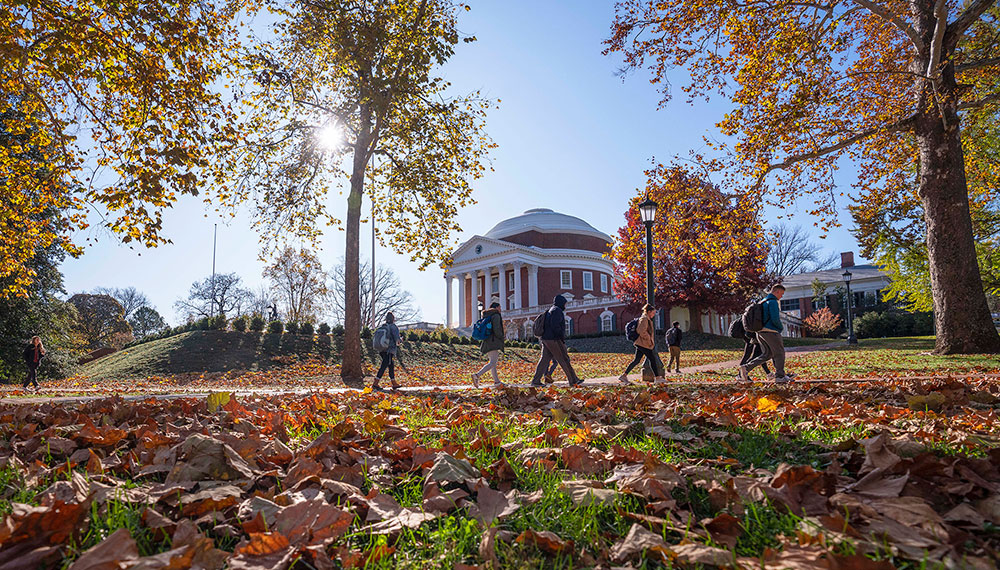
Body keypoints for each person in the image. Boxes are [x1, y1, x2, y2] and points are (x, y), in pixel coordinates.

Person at [740, 284, 796, 383]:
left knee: (767, 354)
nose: (781, 296)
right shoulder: (773, 302)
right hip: (771, 331)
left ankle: (746, 367)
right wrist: (780, 328)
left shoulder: (763, 301)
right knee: (779, 353)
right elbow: (775, 318)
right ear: (777, 291)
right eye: (781, 294)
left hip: (760, 332)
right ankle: (780, 376)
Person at [530, 295, 582, 387]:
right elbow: (555, 326)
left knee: (544, 360)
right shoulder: (557, 311)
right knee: (564, 359)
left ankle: (536, 381)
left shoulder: (550, 310)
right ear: (561, 303)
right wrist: (561, 338)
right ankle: (573, 381)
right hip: (554, 339)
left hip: (545, 339)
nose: (565, 306)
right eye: (564, 303)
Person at [618, 304, 665, 384]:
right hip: (643, 343)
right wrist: (649, 339)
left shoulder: (645, 318)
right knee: (652, 359)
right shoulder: (644, 319)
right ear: (649, 312)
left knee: (637, 360)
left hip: (641, 343)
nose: (654, 315)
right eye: (653, 313)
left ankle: (624, 376)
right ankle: (657, 378)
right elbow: (641, 331)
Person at [472, 302, 506, 388]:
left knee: (492, 363)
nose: (500, 309)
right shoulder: (496, 315)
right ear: (496, 308)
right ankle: (477, 375)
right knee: (492, 363)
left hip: (487, 341)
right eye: (500, 307)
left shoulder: (487, 316)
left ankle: (497, 382)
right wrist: (501, 336)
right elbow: (497, 329)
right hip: (493, 341)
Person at [373, 312, 402, 391]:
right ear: (393, 319)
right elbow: (397, 339)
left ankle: (394, 383)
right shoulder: (393, 327)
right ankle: (375, 383)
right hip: (389, 350)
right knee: (384, 365)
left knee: (391, 365)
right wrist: (401, 340)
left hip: (381, 348)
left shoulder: (383, 326)